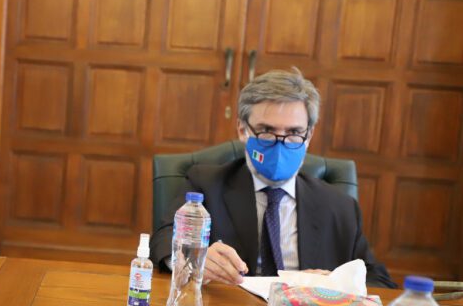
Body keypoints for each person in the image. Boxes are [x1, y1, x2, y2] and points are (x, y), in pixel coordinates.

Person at [150, 68, 395, 288]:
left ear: (309, 136)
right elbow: (163, 240)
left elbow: (378, 280)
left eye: (294, 132)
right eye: (267, 131)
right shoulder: (206, 184)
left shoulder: (340, 207)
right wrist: (193, 258)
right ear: (242, 130)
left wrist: (333, 282)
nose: (280, 144)